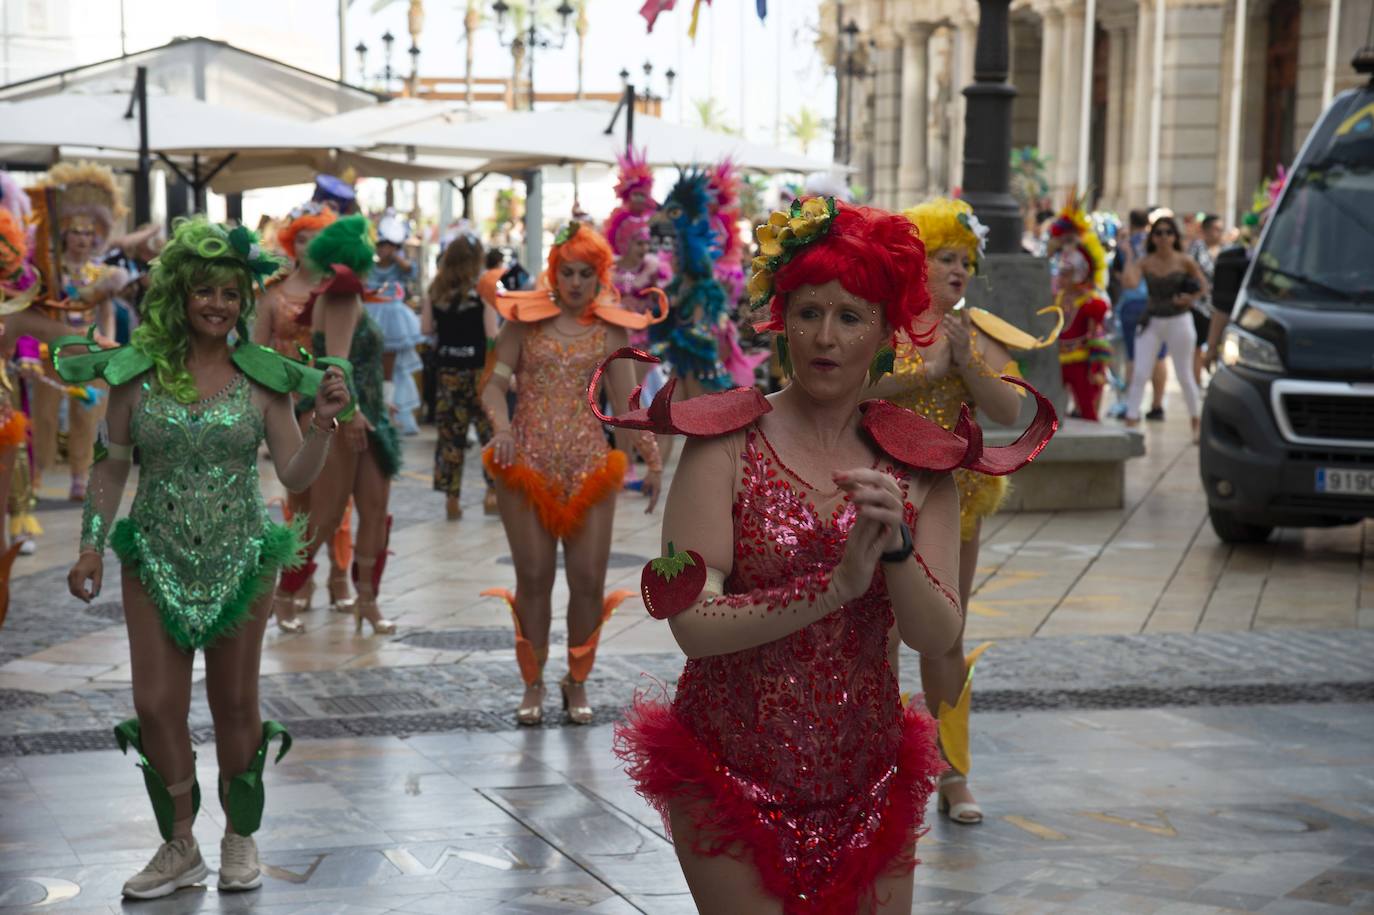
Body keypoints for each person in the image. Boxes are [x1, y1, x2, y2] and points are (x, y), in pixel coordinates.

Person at [613, 197, 1057, 912]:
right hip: (727, 776)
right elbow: (691, 622)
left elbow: (936, 633)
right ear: (781, 321)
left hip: (871, 779)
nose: (825, 336)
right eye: (808, 312)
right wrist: (835, 584)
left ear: (885, 332)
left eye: (850, 316)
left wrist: (897, 550)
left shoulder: (920, 461)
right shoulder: (725, 442)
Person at [58, 217, 352, 899]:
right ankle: (179, 844)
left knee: (235, 701)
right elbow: (111, 465)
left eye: (229, 293)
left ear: (242, 301)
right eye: (204, 291)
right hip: (152, 555)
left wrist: (323, 425)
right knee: (156, 702)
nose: (217, 305)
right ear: (179, 295)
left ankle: (239, 836)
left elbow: (294, 472)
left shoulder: (262, 378)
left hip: (243, 557)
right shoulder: (137, 374)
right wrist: (90, 545)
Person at [868, 196, 1055, 827]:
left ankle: (952, 772)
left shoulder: (972, 329)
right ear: (914, 262)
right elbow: (850, 388)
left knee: (945, 635)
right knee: (877, 636)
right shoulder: (882, 324)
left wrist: (967, 364)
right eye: (944, 257)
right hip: (881, 499)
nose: (958, 270)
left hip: (953, 502)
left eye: (965, 261)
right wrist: (928, 371)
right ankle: (877, 765)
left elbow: (1008, 410)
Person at [480, 222, 666, 726]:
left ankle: (576, 679)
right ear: (554, 272)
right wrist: (502, 428)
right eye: (568, 272)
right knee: (533, 577)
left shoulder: (610, 329)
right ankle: (533, 682)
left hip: (589, 467)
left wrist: (652, 459)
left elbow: (627, 403)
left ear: (599, 276)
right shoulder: (523, 321)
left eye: (586, 273)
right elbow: (493, 386)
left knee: (587, 579)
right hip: (526, 465)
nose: (577, 282)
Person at [275, 215, 401, 636]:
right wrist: (351, 412)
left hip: (365, 414)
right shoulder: (342, 293)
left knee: (374, 510)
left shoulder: (337, 292)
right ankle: (285, 594)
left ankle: (368, 601)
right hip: (347, 413)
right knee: (325, 516)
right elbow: (337, 364)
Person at [255, 202, 355, 627]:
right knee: (299, 497)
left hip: (331, 396)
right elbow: (256, 353)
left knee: (338, 497)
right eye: (301, 238)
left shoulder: (341, 290)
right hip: (286, 402)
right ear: (289, 243)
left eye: (318, 238)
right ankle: (299, 577)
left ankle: (339, 575)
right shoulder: (272, 293)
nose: (309, 246)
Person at [30, 162, 129, 500]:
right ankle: (36, 475)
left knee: (88, 414)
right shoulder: (49, 270)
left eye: (89, 234)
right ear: (65, 235)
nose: (83, 239)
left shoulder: (103, 274)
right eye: (77, 233)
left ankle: (79, 476)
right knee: (44, 415)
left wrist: (108, 346)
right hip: (52, 347)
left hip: (88, 348)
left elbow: (107, 313)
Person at [422, 229, 498, 520]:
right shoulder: (483, 291)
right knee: (488, 432)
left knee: (450, 436)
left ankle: (451, 500)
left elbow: (426, 329)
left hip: (447, 371)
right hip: (479, 372)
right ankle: (492, 493)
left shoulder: (435, 290)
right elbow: (492, 335)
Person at [1121, 215, 1209, 439]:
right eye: (1158, 233)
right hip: (1152, 319)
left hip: (1179, 318)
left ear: (1174, 236)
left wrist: (1190, 299)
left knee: (1184, 374)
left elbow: (1204, 286)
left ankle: (1196, 421)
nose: (1163, 237)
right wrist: (1129, 255)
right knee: (1140, 372)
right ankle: (1131, 420)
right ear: (1153, 237)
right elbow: (1130, 282)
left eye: (1168, 232)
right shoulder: (1146, 261)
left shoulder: (1184, 260)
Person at [1048, 203, 1113, 421]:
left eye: (1067, 273)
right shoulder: (1057, 296)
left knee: (1087, 408)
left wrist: (1096, 368)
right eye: (1061, 272)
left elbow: (1096, 337)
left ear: (1079, 274)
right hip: (1058, 361)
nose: (1061, 276)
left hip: (1081, 362)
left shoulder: (1090, 303)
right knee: (1050, 410)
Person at [368, 212, 424, 436]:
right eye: (381, 245)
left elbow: (411, 271)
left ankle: (389, 408)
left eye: (388, 245)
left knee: (391, 368)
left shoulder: (400, 266)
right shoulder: (369, 266)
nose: (383, 250)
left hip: (393, 321)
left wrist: (397, 255)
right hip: (371, 316)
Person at [1110, 209, 1167, 419]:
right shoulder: (1157, 245)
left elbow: (1119, 276)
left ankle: (1131, 405)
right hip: (1158, 304)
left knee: (1132, 356)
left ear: (1131, 222)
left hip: (1132, 304)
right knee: (1159, 356)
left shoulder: (1125, 246)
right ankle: (1157, 405)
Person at [1187, 213, 1223, 385]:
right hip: (1199, 306)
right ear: (1206, 230)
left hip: (1220, 308)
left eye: (1220, 229)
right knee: (1197, 347)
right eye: (1216, 229)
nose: (1219, 233)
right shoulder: (1196, 248)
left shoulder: (1226, 250)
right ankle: (1196, 383)